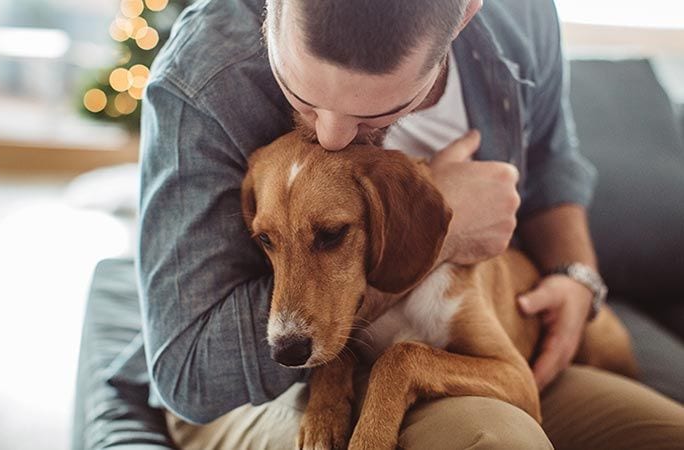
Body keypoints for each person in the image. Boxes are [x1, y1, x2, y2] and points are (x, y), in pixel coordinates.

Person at [136, 0, 684, 448]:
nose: (330, 138)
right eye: (302, 95)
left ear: (466, 14)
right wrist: (447, 230)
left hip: (481, 354)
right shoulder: (201, 77)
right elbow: (188, 374)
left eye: (374, 115)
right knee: (496, 441)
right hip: (254, 389)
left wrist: (576, 275)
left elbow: (551, 156)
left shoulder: (521, 13)